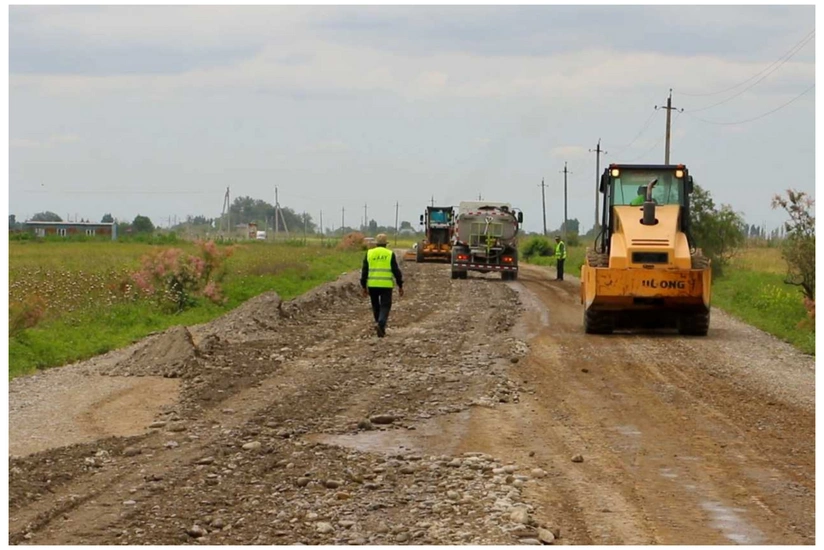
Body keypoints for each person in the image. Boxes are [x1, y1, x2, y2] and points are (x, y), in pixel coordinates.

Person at [360, 233, 404, 337]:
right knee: (385, 306)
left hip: (372, 285)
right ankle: (381, 323)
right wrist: (400, 285)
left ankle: (379, 325)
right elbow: (396, 271)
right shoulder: (389, 254)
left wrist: (363, 286)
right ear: (386, 244)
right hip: (386, 285)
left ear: (376, 244)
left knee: (375, 306)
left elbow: (364, 271)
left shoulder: (369, 253)